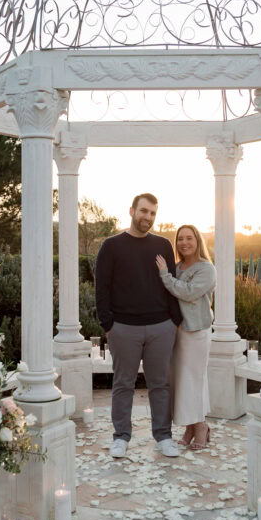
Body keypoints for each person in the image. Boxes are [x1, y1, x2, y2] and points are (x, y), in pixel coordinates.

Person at [95, 193, 182, 459]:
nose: (148, 217)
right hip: (123, 327)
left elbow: (171, 283)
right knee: (123, 384)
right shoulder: (111, 246)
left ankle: (163, 437)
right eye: (144, 211)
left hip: (161, 327)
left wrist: (174, 320)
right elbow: (102, 287)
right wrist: (108, 324)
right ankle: (121, 437)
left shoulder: (163, 245)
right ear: (131, 211)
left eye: (153, 213)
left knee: (159, 384)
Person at [156, 224, 216, 450]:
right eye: (180, 238)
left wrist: (166, 277)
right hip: (177, 331)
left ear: (197, 241)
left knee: (195, 379)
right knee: (181, 380)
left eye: (189, 238)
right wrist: (173, 282)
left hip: (197, 331)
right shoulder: (178, 267)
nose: (184, 242)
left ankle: (200, 425)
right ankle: (191, 426)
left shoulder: (206, 269)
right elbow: (176, 293)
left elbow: (188, 292)